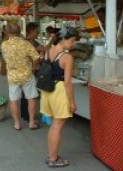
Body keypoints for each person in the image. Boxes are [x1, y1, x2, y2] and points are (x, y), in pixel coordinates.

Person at [41, 26, 77, 168]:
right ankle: (53, 159)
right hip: (59, 91)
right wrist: (72, 102)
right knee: (57, 127)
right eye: (72, 40)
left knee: (53, 127)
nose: (73, 44)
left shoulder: (48, 51)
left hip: (47, 90)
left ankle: (51, 155)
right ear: (64, 39)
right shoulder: (67, 57)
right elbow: (68, 82)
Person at [1, 23, 40, 131]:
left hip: (13, 76)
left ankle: (17, 123)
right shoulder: (26, 44)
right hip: (27, 75)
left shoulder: (4, 45)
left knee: (14, 100)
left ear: (8, 32)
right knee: (31, 98)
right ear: (20, 31)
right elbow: (37, 57)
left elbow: (5, 58)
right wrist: (33, 66)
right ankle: (31, 122)